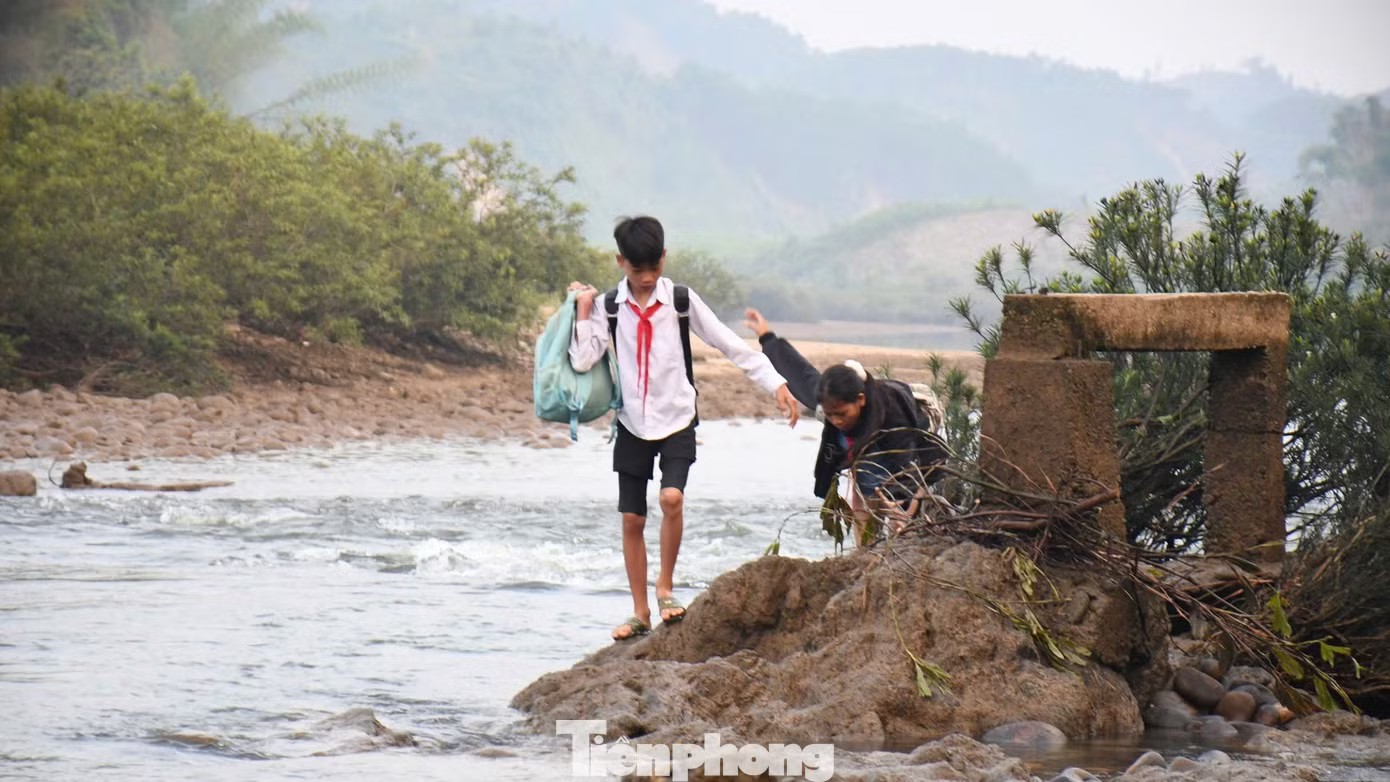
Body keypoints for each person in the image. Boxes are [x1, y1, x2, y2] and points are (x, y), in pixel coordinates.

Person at [569, 216, 799, 641]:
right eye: (637, 270)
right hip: (631, 423)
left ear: (663, 258)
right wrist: (583, 312)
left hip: (678, 418)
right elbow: (583, 360)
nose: (646, 278)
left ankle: (665, 589)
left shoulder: (680, 300)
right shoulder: (609, 306)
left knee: (671, 498)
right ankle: (640, 611)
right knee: (633, 518)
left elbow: (729, 343)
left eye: (653, 267)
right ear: (621, 262)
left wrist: (777, 383)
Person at [744, 308, 948, 545]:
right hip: (863, 442)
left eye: (841, 414)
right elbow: (799, 372)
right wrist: (767, 337)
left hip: (911, 435)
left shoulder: (891, 411)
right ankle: (863, 549)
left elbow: (911, 466)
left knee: (895, 495)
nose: (837, 420)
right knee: (864, 481)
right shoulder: (828, 401)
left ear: (860, 400)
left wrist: (902, 512)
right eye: (831, 415)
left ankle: (900, 541)